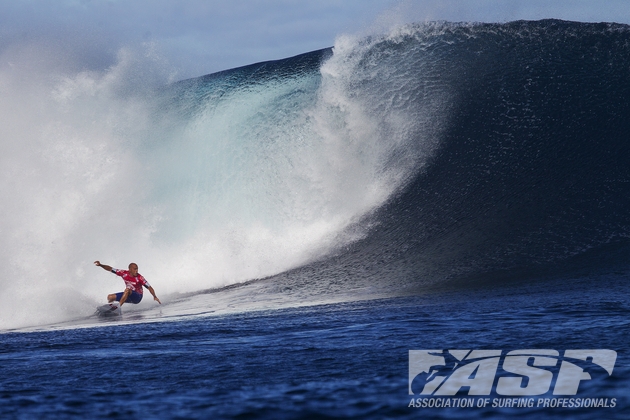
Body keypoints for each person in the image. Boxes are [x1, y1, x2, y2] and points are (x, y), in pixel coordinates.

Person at [94, 261, 161, 307]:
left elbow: (150, 287)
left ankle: (118, 307)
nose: (136, 271)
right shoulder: (124, 273)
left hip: (137, 297)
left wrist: (154, 296)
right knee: (110, 297)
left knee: (127, 290)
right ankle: (110, 309)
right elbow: (110, 269)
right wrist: (100, 265)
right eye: (135, 269)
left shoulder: (140, 278)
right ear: (130, 269)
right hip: (128, 295)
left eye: (137, 269)